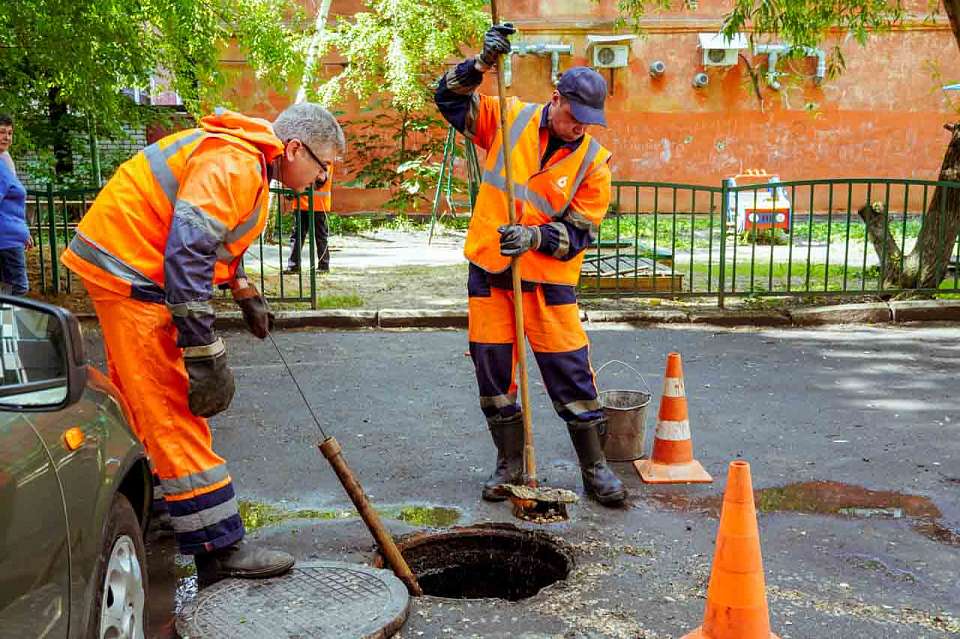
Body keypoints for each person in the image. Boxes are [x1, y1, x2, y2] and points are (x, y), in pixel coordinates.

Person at [61, 104, 345, 585]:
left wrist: (244, 291)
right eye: (323, 167)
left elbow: (212, 242)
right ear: (294, 148)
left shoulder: (247, 161)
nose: (321, 179)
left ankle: (163, 502)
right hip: (133, 276)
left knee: (139, 400)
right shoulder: (235, 162)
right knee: (174, 411)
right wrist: (203, 353)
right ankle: (220, 548)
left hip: (128, 271)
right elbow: (188, 249)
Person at [434, 25, 626, 506]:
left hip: (550, 283)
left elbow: (580, 233)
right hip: (490, 271)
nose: (581, 125)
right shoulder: (509, 116)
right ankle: (509, 465)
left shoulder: (594, 163)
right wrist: (480, 65)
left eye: (589, 119)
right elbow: (449, 101)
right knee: (493, 371)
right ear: (556, 98)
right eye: (575, 114)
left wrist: (536, 236)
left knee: (571, 373)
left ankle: (595, 469)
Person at [0, 114, 31, 296]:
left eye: (10, 133)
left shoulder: (5, 161)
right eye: (2, 132)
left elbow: (11, 208)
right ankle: (8, 325)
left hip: (11, 238)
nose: (7, 137)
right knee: (17, 291)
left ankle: (6, 325)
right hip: (6, 241)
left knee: (6, 292)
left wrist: (23, 231)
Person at [283, 164, 332, 273]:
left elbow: (319, 181)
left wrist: (297, 189)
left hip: (318, 205)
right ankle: (293, 266)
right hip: (301, 204)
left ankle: (323, 266)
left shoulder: (324, 160)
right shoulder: (303, 159)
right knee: (297, 236)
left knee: (320, 236)